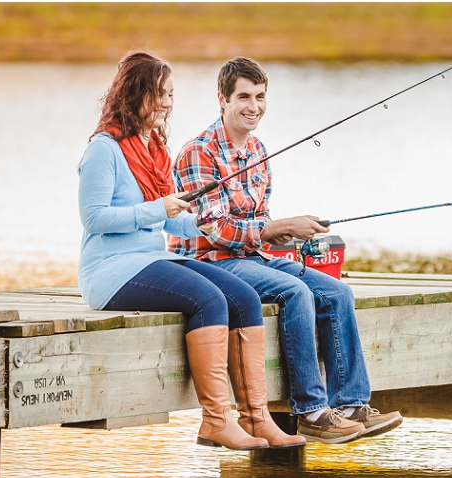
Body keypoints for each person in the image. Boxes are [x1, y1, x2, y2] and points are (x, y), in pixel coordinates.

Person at [78, 51, 306, 451]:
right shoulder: (105, 148)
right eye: (160, 94)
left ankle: (256, 418)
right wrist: (157, 208)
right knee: (208, 299)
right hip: (110, 270)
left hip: (152, 258)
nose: (167, 102)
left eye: (170, 94)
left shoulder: (152, 149)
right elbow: (94, 218)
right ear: (136, 93)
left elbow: (168, 222)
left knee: (244, 297)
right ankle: (215, 421)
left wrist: (196, 222)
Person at [170, 56, 402, 445]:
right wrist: (276, 227)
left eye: (260, 97)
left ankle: (351, 405)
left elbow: (258, 223)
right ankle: (312, 411)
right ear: (222, 99)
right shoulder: (199, 152)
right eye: (244, 96)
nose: (253, 106)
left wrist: (285, 235)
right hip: (209, 262)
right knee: (296, 293)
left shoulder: (259, 151)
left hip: (252, 258)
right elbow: (216, 229)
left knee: (336, 291)